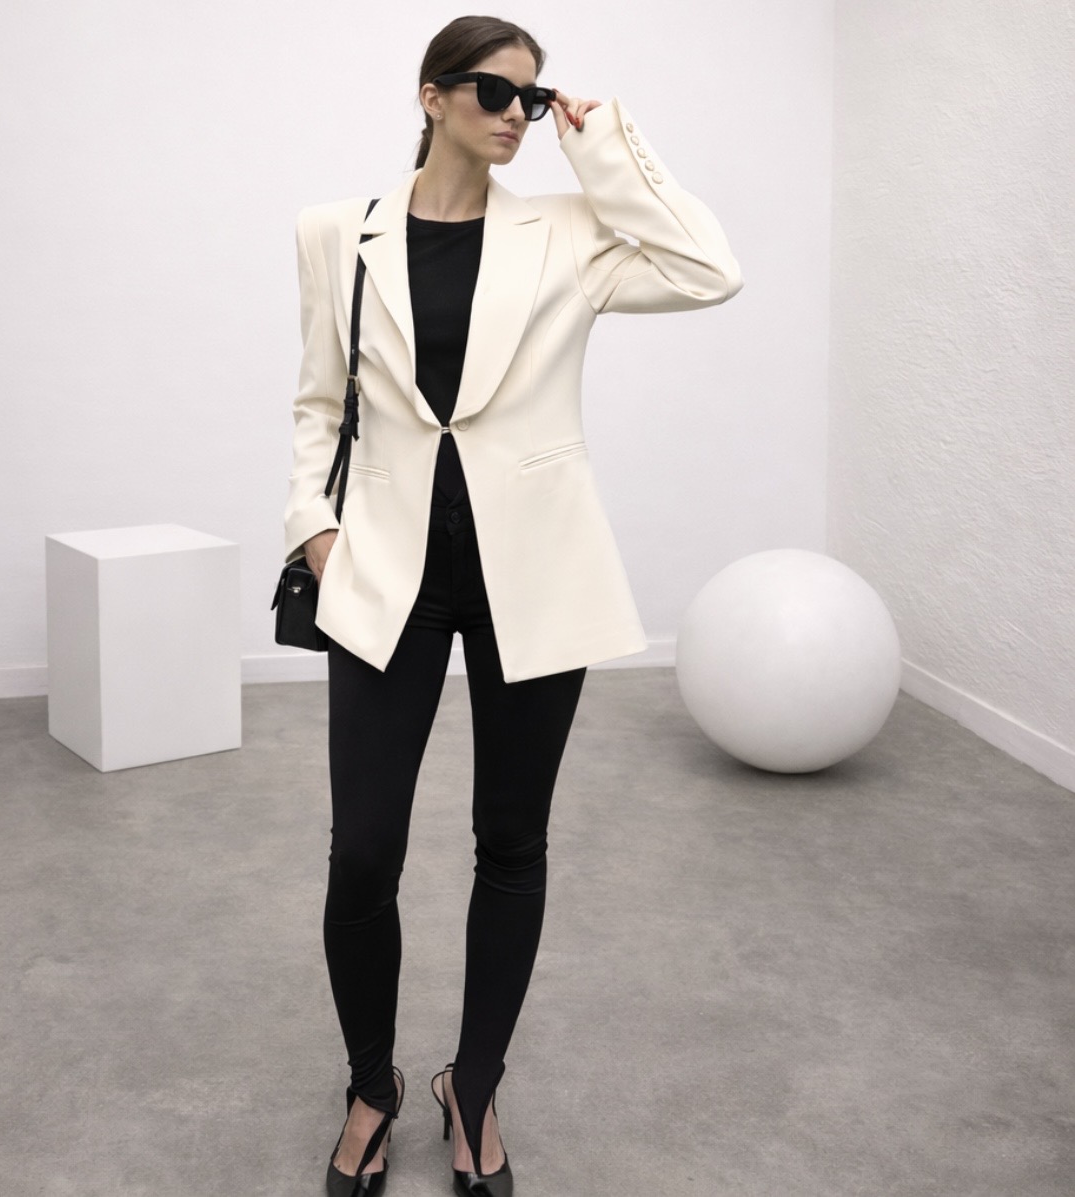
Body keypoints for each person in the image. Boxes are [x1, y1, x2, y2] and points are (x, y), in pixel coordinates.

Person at [284, 16, 743, 1196]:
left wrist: (606, 144)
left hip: (531, 573)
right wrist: (316, 531)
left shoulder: (568, 232)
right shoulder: (338, 233)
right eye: (495, 92)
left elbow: (709, 269)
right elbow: (317, 403)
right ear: (431, 95)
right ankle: (371, 1087)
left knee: (512, 842)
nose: (518, 116)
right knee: (362, 852)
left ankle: (474, 1088)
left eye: (533, 100)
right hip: (384, 577)